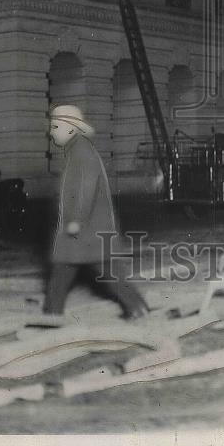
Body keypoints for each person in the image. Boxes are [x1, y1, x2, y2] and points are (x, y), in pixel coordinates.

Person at [40, 104, 149, 324]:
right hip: (89, 231)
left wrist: (76, 220)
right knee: (69, 272)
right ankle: (52, 316)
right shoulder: (77, 150)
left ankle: (52, 317)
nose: (51, 132)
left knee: (88, 272)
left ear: (70, 128)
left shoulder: (81, 152)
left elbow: (85, 189)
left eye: (55, 126)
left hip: (85, 230)